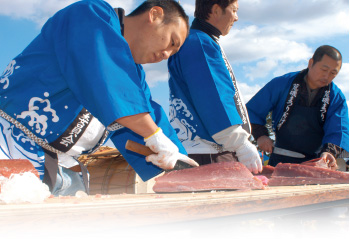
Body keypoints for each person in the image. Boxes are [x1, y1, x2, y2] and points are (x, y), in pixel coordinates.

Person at [0, 0, 198, 196]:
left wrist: (184, 168)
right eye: (172, 42)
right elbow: (105, 76)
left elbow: (151, 116)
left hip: (64, 166)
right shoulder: (91, 14)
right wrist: (152, 133)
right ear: (155, 14)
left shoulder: (134, 76)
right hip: (11, 146)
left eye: (173, 52)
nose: (166, 54)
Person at [168, 0, 262, 174]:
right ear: (216, 10)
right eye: (234, 10)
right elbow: (213, 98)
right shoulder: (200, 43)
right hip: (207, 153)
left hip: (203, 150)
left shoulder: (200, 40)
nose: (237, 17)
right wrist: (240, 143)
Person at [246, 45, 349, 169]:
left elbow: (339, 130)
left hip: (315, 164)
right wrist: (261, 135)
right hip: (279, 160)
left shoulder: (336, 97)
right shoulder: (281, 84)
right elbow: (252, 111)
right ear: (311, 63)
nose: (327, 76)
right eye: (324, 69)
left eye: (333, 73)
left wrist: (329, 152)